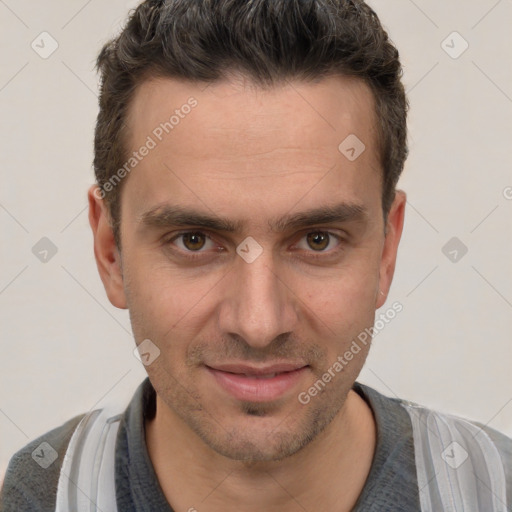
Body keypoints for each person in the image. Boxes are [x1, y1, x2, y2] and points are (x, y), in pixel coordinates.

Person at [1, 0, 511, 510]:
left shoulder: (494, 489)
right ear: (110, 251)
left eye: (318, 240)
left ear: (385, 251)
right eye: (194, 240)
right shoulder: (40, 493)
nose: (259, 323)